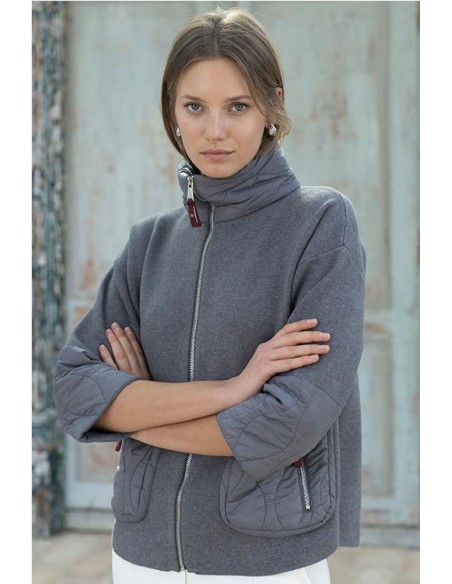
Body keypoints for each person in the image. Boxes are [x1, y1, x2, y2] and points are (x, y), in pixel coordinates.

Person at [53, 7, 366, 584]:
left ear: (272, 107)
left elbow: (288, 421)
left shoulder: (320, 224)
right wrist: (232, 389)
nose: (214, 131)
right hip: (141, 554)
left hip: (264, 559)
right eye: (194, 107)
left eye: (237, 107)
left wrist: (136, 415)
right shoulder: (150, 243)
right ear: (172, 112)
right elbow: (75, 389)